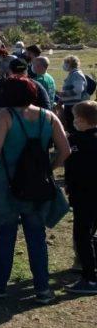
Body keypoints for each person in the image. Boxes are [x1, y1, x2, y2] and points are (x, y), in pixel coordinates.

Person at [0, 76, 70, 304]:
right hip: (37, 185)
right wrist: (49, 168)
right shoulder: (47, 116)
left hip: (8, 183)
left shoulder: (6, 115)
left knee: (5, 236)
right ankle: (42, 289)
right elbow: (65, 150)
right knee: (36, 237)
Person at [66, 101, 97, 294]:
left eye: (76, 118)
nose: (74, 121)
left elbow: (71, 164)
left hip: (85, 195)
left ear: (84, 120)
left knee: (82, 235)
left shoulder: (77, 140)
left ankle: (90, 278)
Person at [58, 55, 88, 134]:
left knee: (74, 127)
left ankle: (76, 144)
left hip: (74, 105)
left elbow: (78, 89)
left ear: (70, 64)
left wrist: (63, 94)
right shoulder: (72, 74)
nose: (64, 65)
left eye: (65, 63)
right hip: (70, 105)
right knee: (71, 126)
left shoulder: (76, 74)